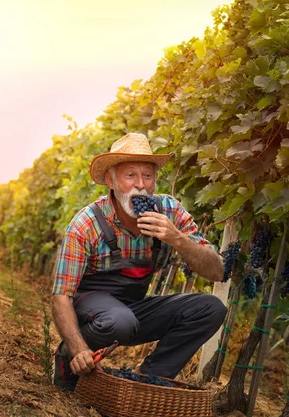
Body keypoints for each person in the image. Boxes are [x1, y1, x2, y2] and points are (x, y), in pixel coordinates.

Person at [51, 132, 226, 390]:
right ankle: (68, 354)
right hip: (91, 312)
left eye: (147, 175)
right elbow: (60, 296)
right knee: (120, 320)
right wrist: (78, 349)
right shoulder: (86, 224)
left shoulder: (169, 211)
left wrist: (177, 238)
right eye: (130, 175)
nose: (140, 185)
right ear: (110, 180)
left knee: (211, 308)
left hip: (132, 309)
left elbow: (218, 271)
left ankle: (147, 380)